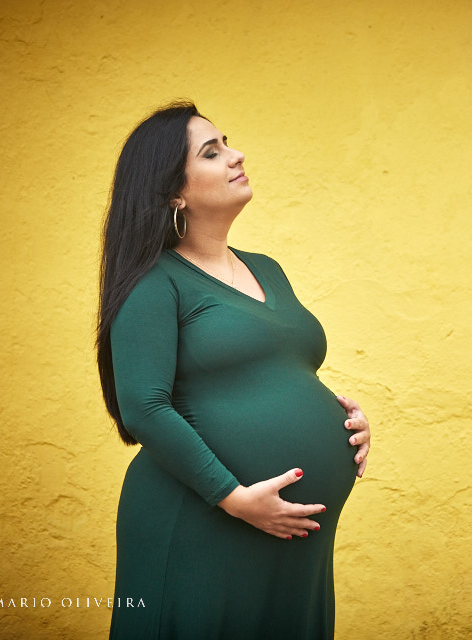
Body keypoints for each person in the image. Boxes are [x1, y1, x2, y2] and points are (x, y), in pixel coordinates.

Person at [95, 101, 371, 639]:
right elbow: (144, 408)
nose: (236, 155)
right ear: (173, 192)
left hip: (292, 536)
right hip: (202, 518)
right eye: (211, 152)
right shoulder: (155, 280)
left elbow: (278, 371)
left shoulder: (267, 269)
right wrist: (234, 498)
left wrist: (346, 421)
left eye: (228, 142)